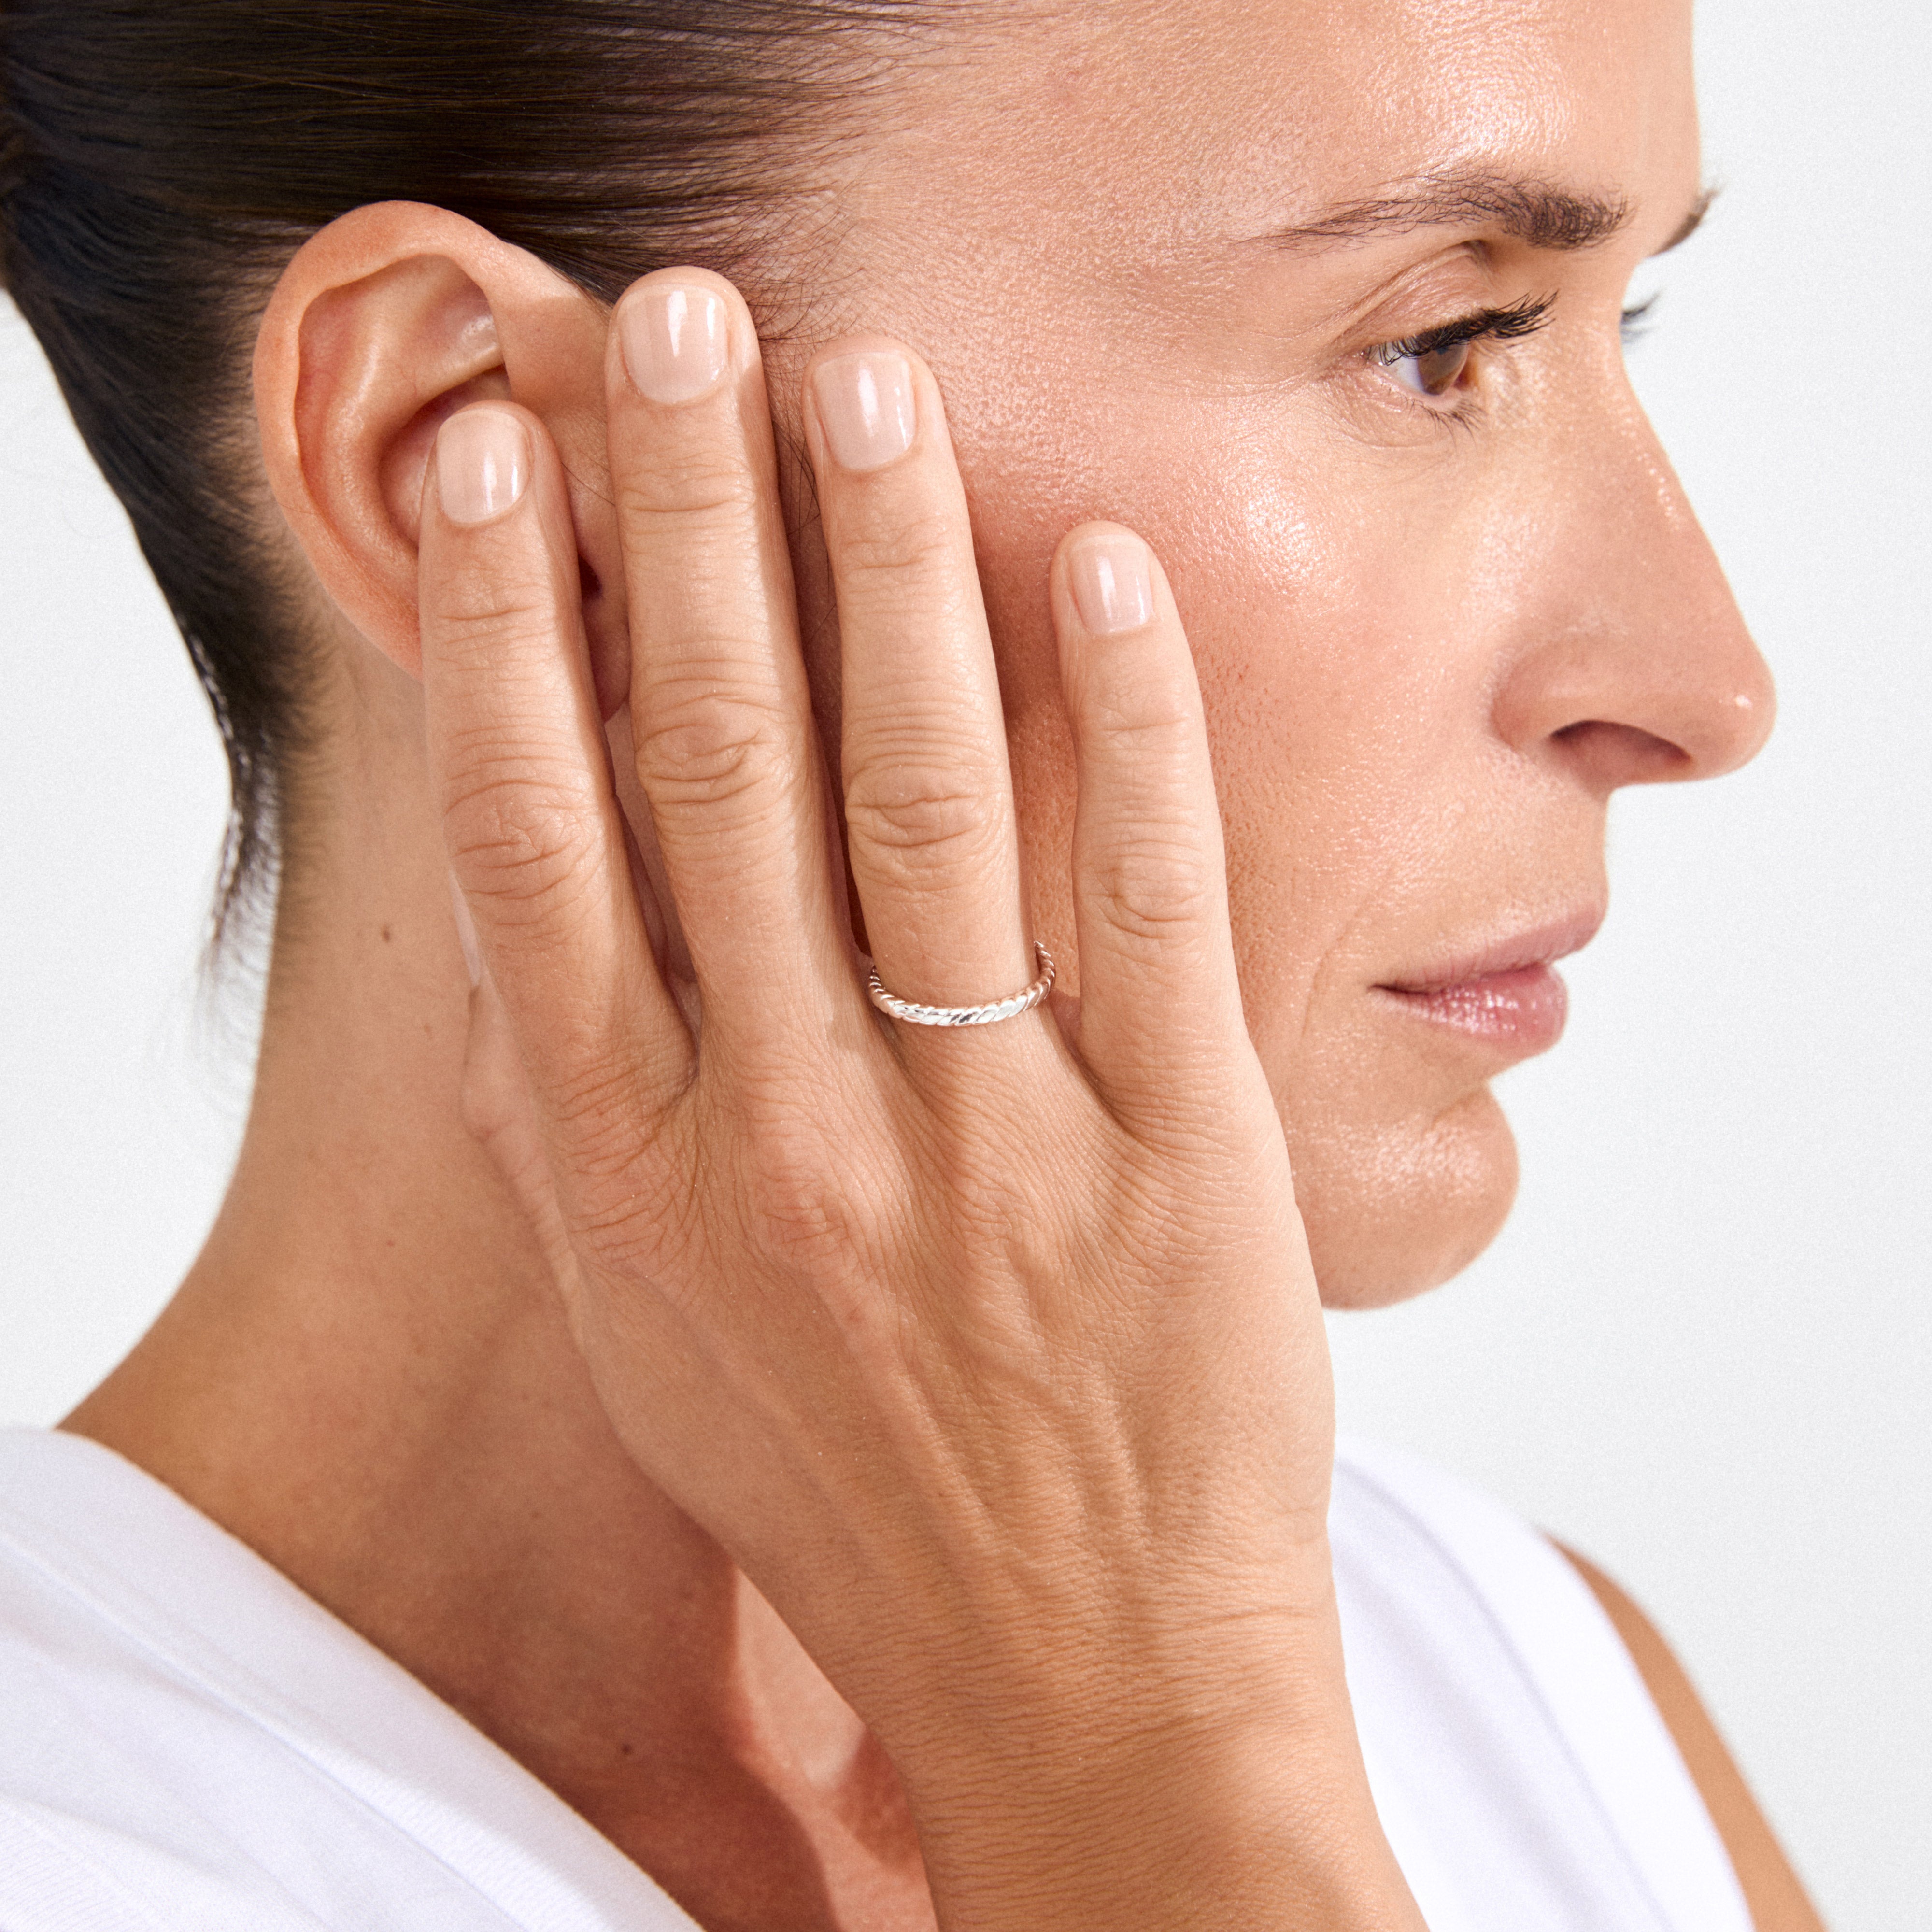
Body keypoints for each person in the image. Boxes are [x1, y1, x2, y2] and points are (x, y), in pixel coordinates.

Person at [0, 0, 1828, 1926]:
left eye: (1624, 318)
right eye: (1438, 344)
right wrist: (1136, 1755)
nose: (1707, 686)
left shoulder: (1537, 1698)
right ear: (480, 469)